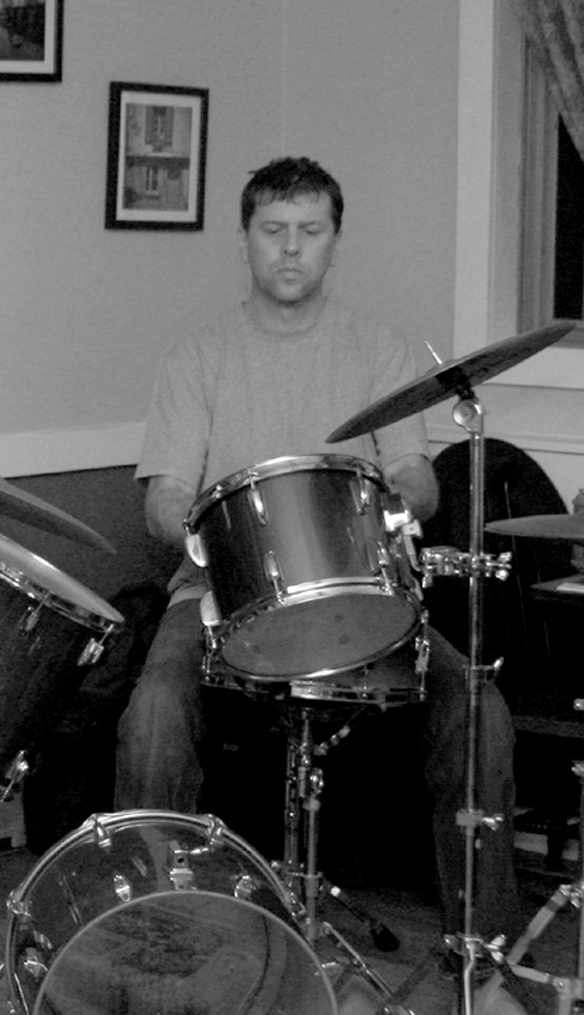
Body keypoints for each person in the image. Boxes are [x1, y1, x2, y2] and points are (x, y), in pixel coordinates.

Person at [119, 156, 520, 943]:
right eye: (274, 230)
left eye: (310, 230)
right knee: (152, 715)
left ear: (336, 240)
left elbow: (416, 477)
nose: (291, 247)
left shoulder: (379, 351)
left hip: (363, 593)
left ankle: (486, 951)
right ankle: (153, 936)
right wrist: (192, 531)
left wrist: (405, 502)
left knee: (479, 712)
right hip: (220, 595)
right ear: (244, 239)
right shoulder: (198, 357)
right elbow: (164, 497)